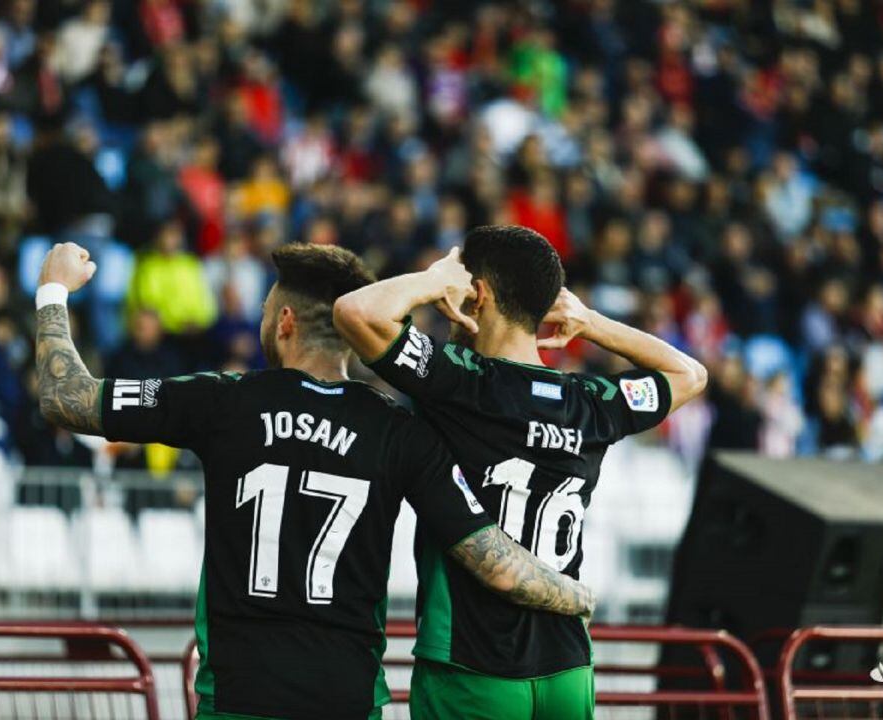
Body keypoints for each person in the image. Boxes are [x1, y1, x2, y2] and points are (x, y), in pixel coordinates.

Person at [34, 241, 594, 720]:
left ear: (284, 322)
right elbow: (492, 560)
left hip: (240, 693)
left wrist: (53, 290)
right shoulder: (401, 431)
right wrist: (575, 594)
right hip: (348, 697)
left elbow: (67, 399)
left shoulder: (222, 401)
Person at [334, 225, 707, 720]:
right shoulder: (589, 402)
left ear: (479, 293)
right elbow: (690, 374)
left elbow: (356, 312)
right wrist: (591, 321)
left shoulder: (459, 383)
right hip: (568, 667)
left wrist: (434, 279)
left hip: (473, 663)